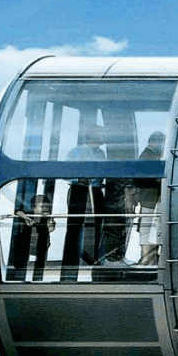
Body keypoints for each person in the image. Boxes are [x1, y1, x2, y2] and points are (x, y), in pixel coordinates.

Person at [60, 117, 109, 280]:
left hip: (96, 192)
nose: (105, 137)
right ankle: (69, 267)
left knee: (99, 225)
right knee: (74, 228)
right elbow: (65, 173)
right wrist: (79, 179)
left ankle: (96, 262)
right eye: (102, 134)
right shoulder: (76, 152)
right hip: (79, 191)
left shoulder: (101, 153)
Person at [132, 131, 166, 268]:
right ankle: (147, 260)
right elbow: (142, 179)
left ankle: (148, 259)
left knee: (148, 230)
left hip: (149, 199)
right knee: (147, 231)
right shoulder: (148, 156)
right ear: (156, 142)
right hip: (149, 199)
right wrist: (158, 180)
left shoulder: (149, 155)